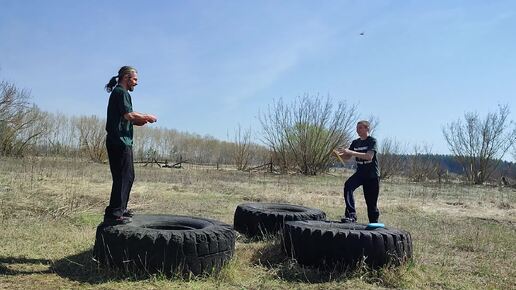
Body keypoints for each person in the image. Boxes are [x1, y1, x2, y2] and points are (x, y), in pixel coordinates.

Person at [104, 66, 157, 224]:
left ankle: (121, 208)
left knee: (128, 176)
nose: (136, 83)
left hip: (122, 140)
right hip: (119, 141)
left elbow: (126, 119)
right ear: (126, 78)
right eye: (134, 79)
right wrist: (146, 116)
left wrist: (139, 121)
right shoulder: (121, 92)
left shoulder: (121, 93)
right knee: (122, 176)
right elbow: (129, 115)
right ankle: (114, 214)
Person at [336, 120, 380, 223]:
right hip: (360, 172)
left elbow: (369, 156)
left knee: (371, 203)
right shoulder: (355, 142)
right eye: (357, 127)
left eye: (360, 127)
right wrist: (338, 155)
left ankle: (374, 224)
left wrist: (350, 152)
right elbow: (347, 156)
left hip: (372, 174)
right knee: (348, 186)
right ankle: (351, 215)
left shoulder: (372, 141)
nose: (357, 130)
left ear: (367, 129)